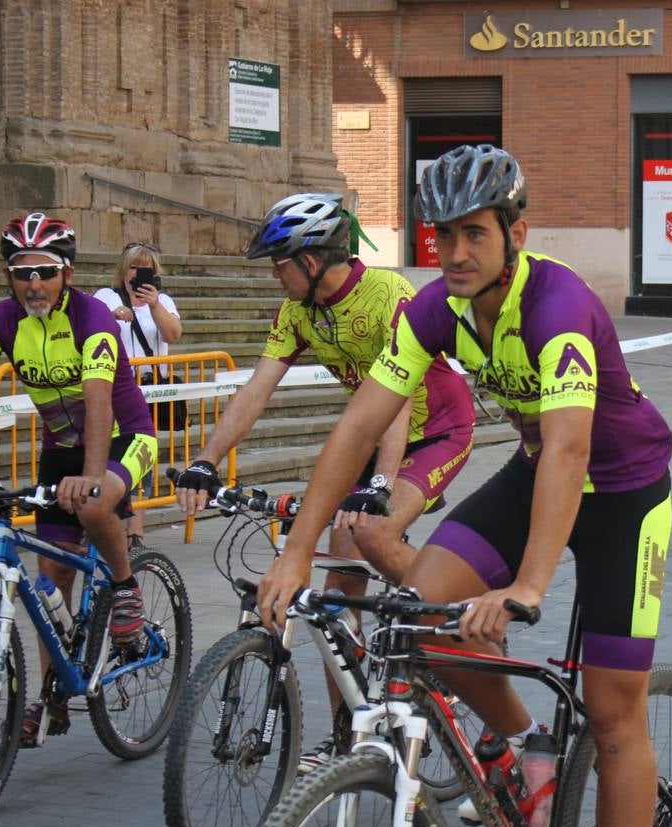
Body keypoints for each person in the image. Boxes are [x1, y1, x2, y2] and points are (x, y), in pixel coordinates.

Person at [256, 145, 672, 827]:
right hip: (536, 467)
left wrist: (527, 583)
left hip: (624, 491)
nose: (453, 253)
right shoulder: (434, 309)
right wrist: (296, 551)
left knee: (614, 713)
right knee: (421, 615)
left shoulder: (559, 306)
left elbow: (573, 449)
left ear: (516, 230)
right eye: (441, 235)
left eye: (473, 233)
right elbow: (357, 427)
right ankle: (525, 742)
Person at [175, 192, 476, 770]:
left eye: (278, 264)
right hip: (372, 438)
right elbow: (257, 389)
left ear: (310, 262)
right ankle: (348, 736)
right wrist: (206, 461)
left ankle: (456, 625)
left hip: (434, 431)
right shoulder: (298, 313)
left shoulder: (387, 294)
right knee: (337, 595)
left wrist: (382, 481)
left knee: (371, 534)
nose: (273, 275)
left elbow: (404, 389)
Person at [0, 212, 157, 745]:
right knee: (50, 580)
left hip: (125, 438)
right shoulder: (0, 321)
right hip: (59, 452)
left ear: (67, 274)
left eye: (46, 272)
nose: (34, 283)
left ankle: (125, 590)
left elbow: (98, 400)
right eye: (22, 272)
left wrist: (93, 476)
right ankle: (52, 695)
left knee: (95, 506)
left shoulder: (94, 317)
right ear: (9, 277)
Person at [94, 241, 183, 549]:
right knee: (110, 461)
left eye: (146, 268)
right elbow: (90, 330)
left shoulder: (164, 301)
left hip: (148, 392)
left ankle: (136, 534)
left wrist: (154, 305)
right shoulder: (106, 297)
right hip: (114, 389)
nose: (138, 273)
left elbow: (172, 335)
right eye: (134, 266)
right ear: (123, 269)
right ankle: (108, 526)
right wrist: (114, 315)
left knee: (140, 463)